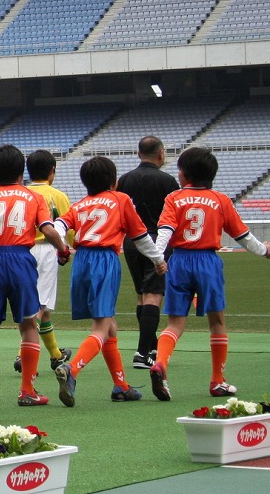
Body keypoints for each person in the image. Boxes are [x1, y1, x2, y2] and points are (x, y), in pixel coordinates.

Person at [149, 147, 270, 402]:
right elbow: (243, 236)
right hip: (208, 261)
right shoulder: (221, 200)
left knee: (174, 323)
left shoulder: (174, 198)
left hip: (179, 260)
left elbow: (165, 232)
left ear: (185, 173)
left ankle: (160, 364)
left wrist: (158, 258)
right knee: (217, 322)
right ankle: (217, 381)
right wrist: (263, 251)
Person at [52, 156, 166, 407]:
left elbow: (59, 224)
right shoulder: (121, 199)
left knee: (110, 326)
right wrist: (158, 260)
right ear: (114, 181)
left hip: (81, 261)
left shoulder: (81, 205)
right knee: (102, 326)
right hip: (104, 260)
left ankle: (121, 386)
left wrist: (61, 246)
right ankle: (72, 369)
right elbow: (141, 237)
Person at [0, 145, 70, 407]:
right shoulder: (32, 197)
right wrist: (63, 250)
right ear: (21, 173)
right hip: (20, 257)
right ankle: (27, 390)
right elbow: (49, 229)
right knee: (29, 324)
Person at [116, 136, 179, 369]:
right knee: (153, 294)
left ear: (138, 153)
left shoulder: (124, 180)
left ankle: (151, 346)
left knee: (142, 294)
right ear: (161, 153)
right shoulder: (168, 181)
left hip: (131, 242)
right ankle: (143, 353)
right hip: (157, 240)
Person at [23, 150, 72, 373]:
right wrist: (67, 248)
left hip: (23, 249)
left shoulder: (23, 192)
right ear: (52, 171)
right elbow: (67, 224)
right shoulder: (57, 195)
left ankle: (55, 354)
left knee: (43, 307)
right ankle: (22, 351)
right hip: (46, 249)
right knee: (40, 306)